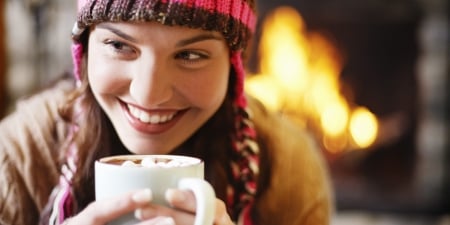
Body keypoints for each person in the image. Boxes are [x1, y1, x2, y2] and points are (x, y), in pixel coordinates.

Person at [0, 0, 333, 224]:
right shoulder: (17, 159)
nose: (149, 94)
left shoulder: (285, 166)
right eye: (119, 46)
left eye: (190, 55)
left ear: (234, 66)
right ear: (85, 51)